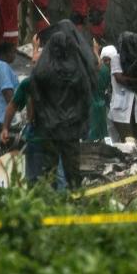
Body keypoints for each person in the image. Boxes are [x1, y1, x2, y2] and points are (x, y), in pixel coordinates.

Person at [29, 31, 92, 188]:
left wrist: (42, 117)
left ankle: (51, 206)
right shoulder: (77, 70)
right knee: (73, 172)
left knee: (49, 172)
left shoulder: (43, 71)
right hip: (71, 128)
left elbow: (35, 95)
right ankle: (76, 204)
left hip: (50, 127)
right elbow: (86, 97)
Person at [0, 76, 67, 189]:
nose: (36, 66)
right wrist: (5, 128)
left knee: (59, 179)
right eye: (34, 63)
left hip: (57, 139)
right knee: (33, 180)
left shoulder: (61, 82)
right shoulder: (28, 83)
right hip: (35, 139)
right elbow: (12, 105)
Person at [87, 43, 111, 141]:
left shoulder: (87, 71)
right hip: (102, 104)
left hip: (90, 105)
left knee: (91, 136)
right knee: (103, 135)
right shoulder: (105, 70)